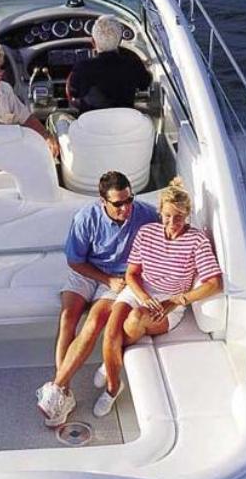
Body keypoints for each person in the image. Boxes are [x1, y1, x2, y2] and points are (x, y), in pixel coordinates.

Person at [93, 177, 223, 417]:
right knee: (111, 329)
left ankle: (110, 370)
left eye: (179, 216)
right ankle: (114, 385)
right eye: (167, 215)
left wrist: (177, 300)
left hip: (170, 300)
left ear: (187, 214)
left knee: (135, 318)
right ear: (160, 212)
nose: (172, 223)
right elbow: (132, 274)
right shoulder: (147, 232)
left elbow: (214, 284)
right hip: (139, 291)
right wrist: (142, 296)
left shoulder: (197, 241)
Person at [36, 171, 157, 427]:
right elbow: (75, 261)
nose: (125, 208)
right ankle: (64, 391)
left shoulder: (147, 215)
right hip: (88, 272)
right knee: (67, 318)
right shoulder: (85, 218)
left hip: (119, 279)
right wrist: (105, 279)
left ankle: (57, 389)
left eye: (129, 200)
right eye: (118, 203)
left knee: (92, 323)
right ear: (103, 201)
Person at [0, 43, 59, 157]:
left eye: (2, 67)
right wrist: (9, 131)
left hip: (8, 151)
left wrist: (46, 136)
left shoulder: (5, 88)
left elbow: (26, 117)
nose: (0, 72)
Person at [66, 15, 151, 114]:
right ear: (120, 41)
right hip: (124, 121)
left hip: (92, 122)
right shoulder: (133, 65)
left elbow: (73, 93)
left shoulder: (81, 67)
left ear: (93, 42)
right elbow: (145, 83)